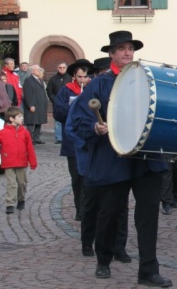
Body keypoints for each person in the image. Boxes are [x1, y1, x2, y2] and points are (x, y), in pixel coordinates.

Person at [69, 31, 170, 286]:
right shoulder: (99, 84)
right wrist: (95, 128)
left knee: (148, 216)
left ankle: (148, 270)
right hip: (113, 157)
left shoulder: (147, 80)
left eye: (130, 48)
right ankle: (103, 259)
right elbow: (79, 119)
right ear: (111, 54)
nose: (127, 52)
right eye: (122, 49)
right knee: (109, 212)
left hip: (145, 157)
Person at [66, 56, 130, 260]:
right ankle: (87, 242)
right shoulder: (86, 97)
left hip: (113, 156)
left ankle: (119, 247)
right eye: (101, 75)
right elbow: (72, 127)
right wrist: (93, 130)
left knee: (119, 206)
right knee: (92, 204)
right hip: (90, 158)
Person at [53, 59, 94, 221]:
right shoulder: (66, 91)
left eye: (85, 77)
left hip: (89, 139)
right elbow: (58, 113)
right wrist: (75, 107)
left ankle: (89, 208)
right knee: (77, 178)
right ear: (74, 77)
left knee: (88, 177)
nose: (82, 80)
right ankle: (80, 208)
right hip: (72, 141)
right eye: (79, 77)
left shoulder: (92, 90)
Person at [0, 106, 37, 214]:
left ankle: (21, 199)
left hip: (21, 162)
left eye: (21, 116)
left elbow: (30, 148)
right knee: (11, 183)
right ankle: (10, 203)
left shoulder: (25, 132)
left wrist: (33, 162)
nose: (22, 118)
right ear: (11, 119)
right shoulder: (3, 132)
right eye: (19, 116)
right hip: (8, 162)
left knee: (22, 183)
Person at [23, 65, 49, 144]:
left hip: (40, 104)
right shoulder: (28, 80)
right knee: (31, 122)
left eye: (39, 69)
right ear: (32, 71)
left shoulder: (40, 80)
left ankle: (36, 138)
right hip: (33, 104)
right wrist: (30, 105)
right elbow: (28, 94)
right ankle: (29, 139)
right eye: (37, 70)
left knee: (39, 122)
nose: (39, 71)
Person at [47, 62, 71, 144]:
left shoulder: (70, 78)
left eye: (63, 67)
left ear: (66, 68)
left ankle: (67, 136)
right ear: (57, 68)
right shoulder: (53, 79)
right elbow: (49, 91)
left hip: (67, 103)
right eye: (60, 67)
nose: (62, 69)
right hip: (57, 103)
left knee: (68, 119)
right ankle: (59, 138)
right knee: (57, 121)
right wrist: (55, 100)